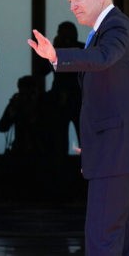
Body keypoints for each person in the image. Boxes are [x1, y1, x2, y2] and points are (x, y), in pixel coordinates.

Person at [27, 0, 129, 256]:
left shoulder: (116, 27)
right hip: (125, 153)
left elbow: (103, 58)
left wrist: (56, 56)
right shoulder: (105, 30)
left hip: (118, 155)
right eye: (69, 0)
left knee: (104, 240)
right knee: (124, 242)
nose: (72, 5)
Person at [45, 21, 83, 157]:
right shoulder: (58, 50)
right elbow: (42, 70)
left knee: (82, 138)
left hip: (78, 97)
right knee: (59, 140)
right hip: (64, 98)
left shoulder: (81, 49)